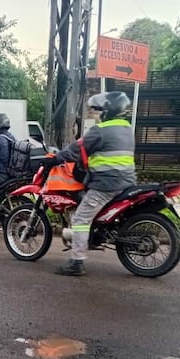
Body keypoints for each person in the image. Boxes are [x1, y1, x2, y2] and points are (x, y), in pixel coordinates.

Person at [44, 91, 137, 276]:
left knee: (80, 218)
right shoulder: (127, 128)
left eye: (97, 110)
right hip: (127, 181)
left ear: (107, 111)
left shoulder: (100, 131)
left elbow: (76, 148)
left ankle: (76, 262)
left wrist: (54, 159)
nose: (95, 114)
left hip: (106, 184)